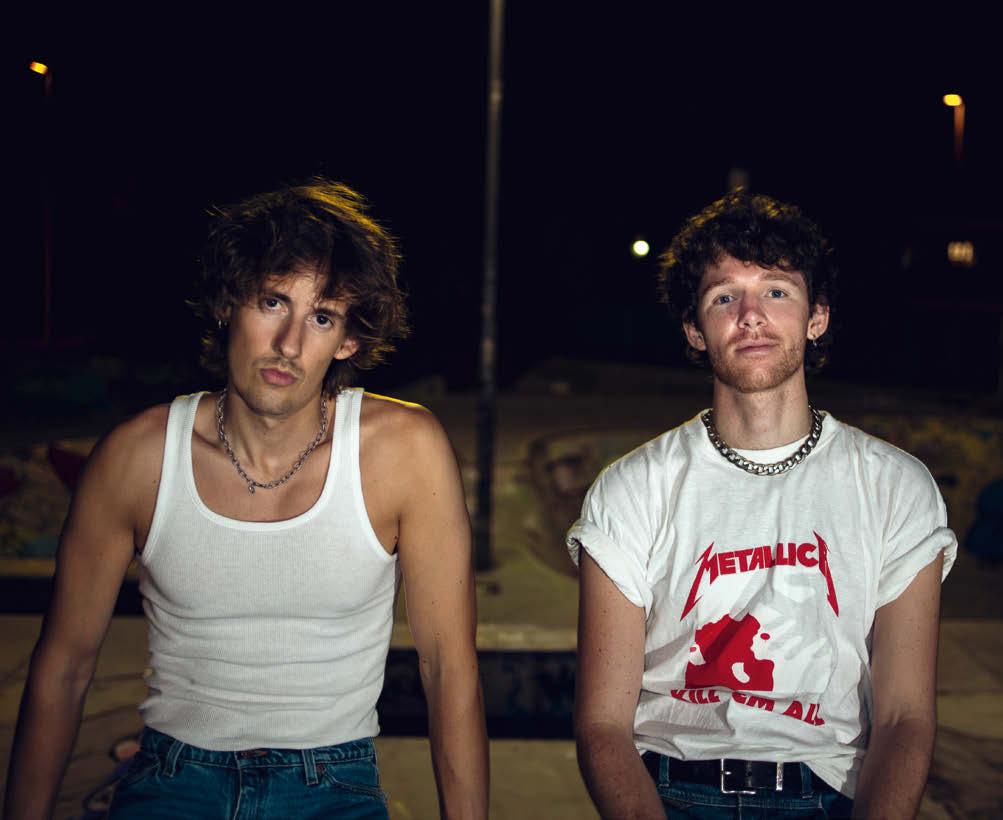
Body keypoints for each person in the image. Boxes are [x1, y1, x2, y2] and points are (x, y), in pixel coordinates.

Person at [5, 180, 489, 820]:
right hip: (174, 778)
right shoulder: (138, 458)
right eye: (273, 301)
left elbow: (449, 668)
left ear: (347, 340)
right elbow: (64, 667)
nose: (289, 343)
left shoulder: (403, 452)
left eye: (321, 317)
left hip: (333, 784)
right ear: (229, 303)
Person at [569, 190, 955, 818]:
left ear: (817, 317)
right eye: (724, 297)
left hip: (826, 794)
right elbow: (602, 726)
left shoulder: (895, 487)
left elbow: (904, 718)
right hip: (672, 790)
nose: (751, 316)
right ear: (695, 329)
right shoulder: (632, 488)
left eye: (776, 291)